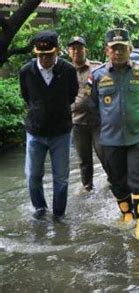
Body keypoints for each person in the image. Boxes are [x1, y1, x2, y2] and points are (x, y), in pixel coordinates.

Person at [90, 29, 139, 240]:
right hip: (111, 138)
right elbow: (94, 105)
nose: (118, 52)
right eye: (114, 48)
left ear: (129, 49)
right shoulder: (98, 75)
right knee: (117, 179)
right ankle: (127, 214)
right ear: (107, 50)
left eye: (122, 48)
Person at [19, 30, 79, 220]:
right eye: (41, 55)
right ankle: (39, 208)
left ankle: (59, 214)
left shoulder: (67, 70)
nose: (45, 59)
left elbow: (71, 95)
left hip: (61, 132)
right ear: (36, 53)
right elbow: (27, 97)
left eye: (49, 55)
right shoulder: (26, 71)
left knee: (61, 177)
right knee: (32, 175)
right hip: (35, 132)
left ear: (57, 51)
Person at [67, 36, 104, 193]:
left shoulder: (97, 69)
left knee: (104, 154)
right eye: (73, 48)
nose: (76, 51)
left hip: (98, 121)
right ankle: (87, 187)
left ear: (85, 50)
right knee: (84, 159)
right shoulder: (65, 70)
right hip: (76, 123)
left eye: (80, 47)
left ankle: (115, 182)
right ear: (69, 52)